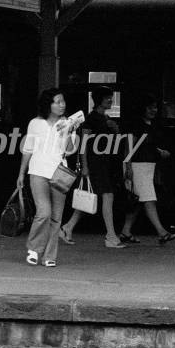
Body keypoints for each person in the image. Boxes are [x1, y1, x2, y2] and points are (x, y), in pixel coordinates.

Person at [17, 87, 79, 267]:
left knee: (56, 217)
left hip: (59, 172)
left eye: (63, 101)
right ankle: (34, 248)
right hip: (37, 172)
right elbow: (28, 149)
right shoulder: (35, 123)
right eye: (57, 102)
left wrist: (69, 131)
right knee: (43, 212)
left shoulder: (68, 123)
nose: (62, 105)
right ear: (48, 104)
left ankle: (49, 256)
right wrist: (21, 172)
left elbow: (70, 150)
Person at [59, 86, 125, 249]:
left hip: (103, 163)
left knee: (88, 197)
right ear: (99, 100)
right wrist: (85, 166)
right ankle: (110, 236)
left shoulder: (106, 118)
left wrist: (115, 130)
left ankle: (67, 228)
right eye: (108, 97)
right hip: (95, 164)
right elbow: (83, 144)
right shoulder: (90, 119)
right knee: (107, 196)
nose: (111, 100)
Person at [120, 96, 175, 246]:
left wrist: (158, 152)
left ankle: (126, 231)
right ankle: (161, 232)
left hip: (146, 166)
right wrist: (128, 166)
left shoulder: (149, 125)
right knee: (149, 198)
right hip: (137, 166)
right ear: (143, 108)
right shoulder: (136, 125)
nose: (154, 110)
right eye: (150, 107)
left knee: (139, 200)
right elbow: (129, 146)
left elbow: (146, 145)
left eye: (155, 107)